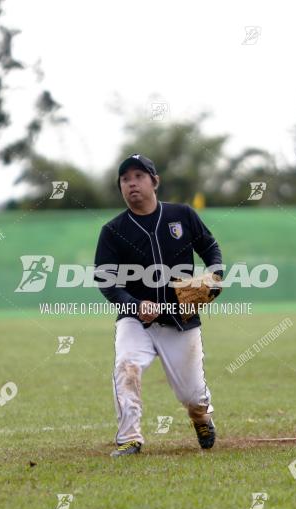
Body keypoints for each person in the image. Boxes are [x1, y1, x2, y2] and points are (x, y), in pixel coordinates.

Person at [94, 153, 223, 457]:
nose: (131, 184)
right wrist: (133, 304)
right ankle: (130, 438)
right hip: (135, 320)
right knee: (127, 366)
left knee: (192, 394)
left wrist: (215, 275)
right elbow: (106, 280)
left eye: (139, 176)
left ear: (155, 181)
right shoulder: (113, 231)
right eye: (125, 179)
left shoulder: (182, 216)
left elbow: (211, 248)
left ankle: (200, 417)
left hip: (181, 318)